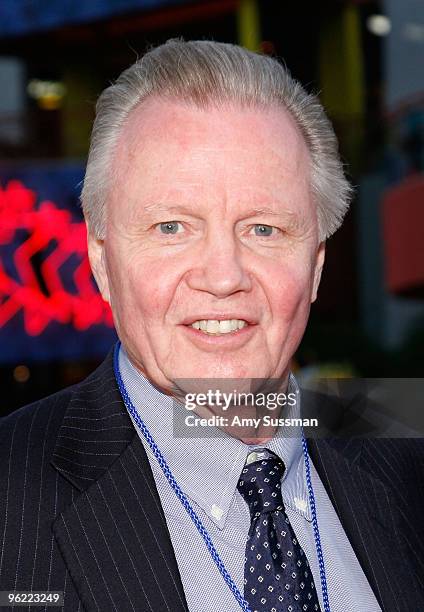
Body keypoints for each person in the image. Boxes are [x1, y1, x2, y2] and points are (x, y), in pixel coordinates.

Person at [0, 39, 423, 612]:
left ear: (316, 265)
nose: (224, 277)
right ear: (102, 261)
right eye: (172, 227)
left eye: (265, 229)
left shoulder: (403, 448)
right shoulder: (9, 496)